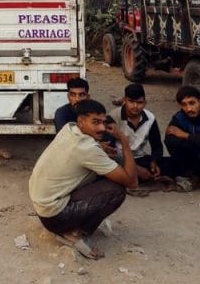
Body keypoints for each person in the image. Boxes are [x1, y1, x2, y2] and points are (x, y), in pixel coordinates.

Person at [29, 99, 139, 260]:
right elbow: (132, 182)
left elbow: (80, 150)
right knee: (117, 190)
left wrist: (100, 148)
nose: (102, 128)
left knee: (102, 172)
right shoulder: (87, 149)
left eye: (103, 122)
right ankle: (75, 233)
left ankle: (72, 223)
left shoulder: (69, 128)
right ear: (81, 121)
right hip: (54, 217)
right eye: (95, 122)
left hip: (42, 207)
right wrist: (124, 140)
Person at [109, 83, 167, 184]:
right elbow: (109, 150)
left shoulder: (150, 118)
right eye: (131, 102)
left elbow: (157, 146)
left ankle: (142, 177)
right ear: (125, 100)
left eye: (139, 102)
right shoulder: (113, 117)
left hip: (140, 158)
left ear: (145, 103)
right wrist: (136, 169)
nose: (135, 106)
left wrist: (154, 162)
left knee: (171, 164)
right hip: (120, 160)